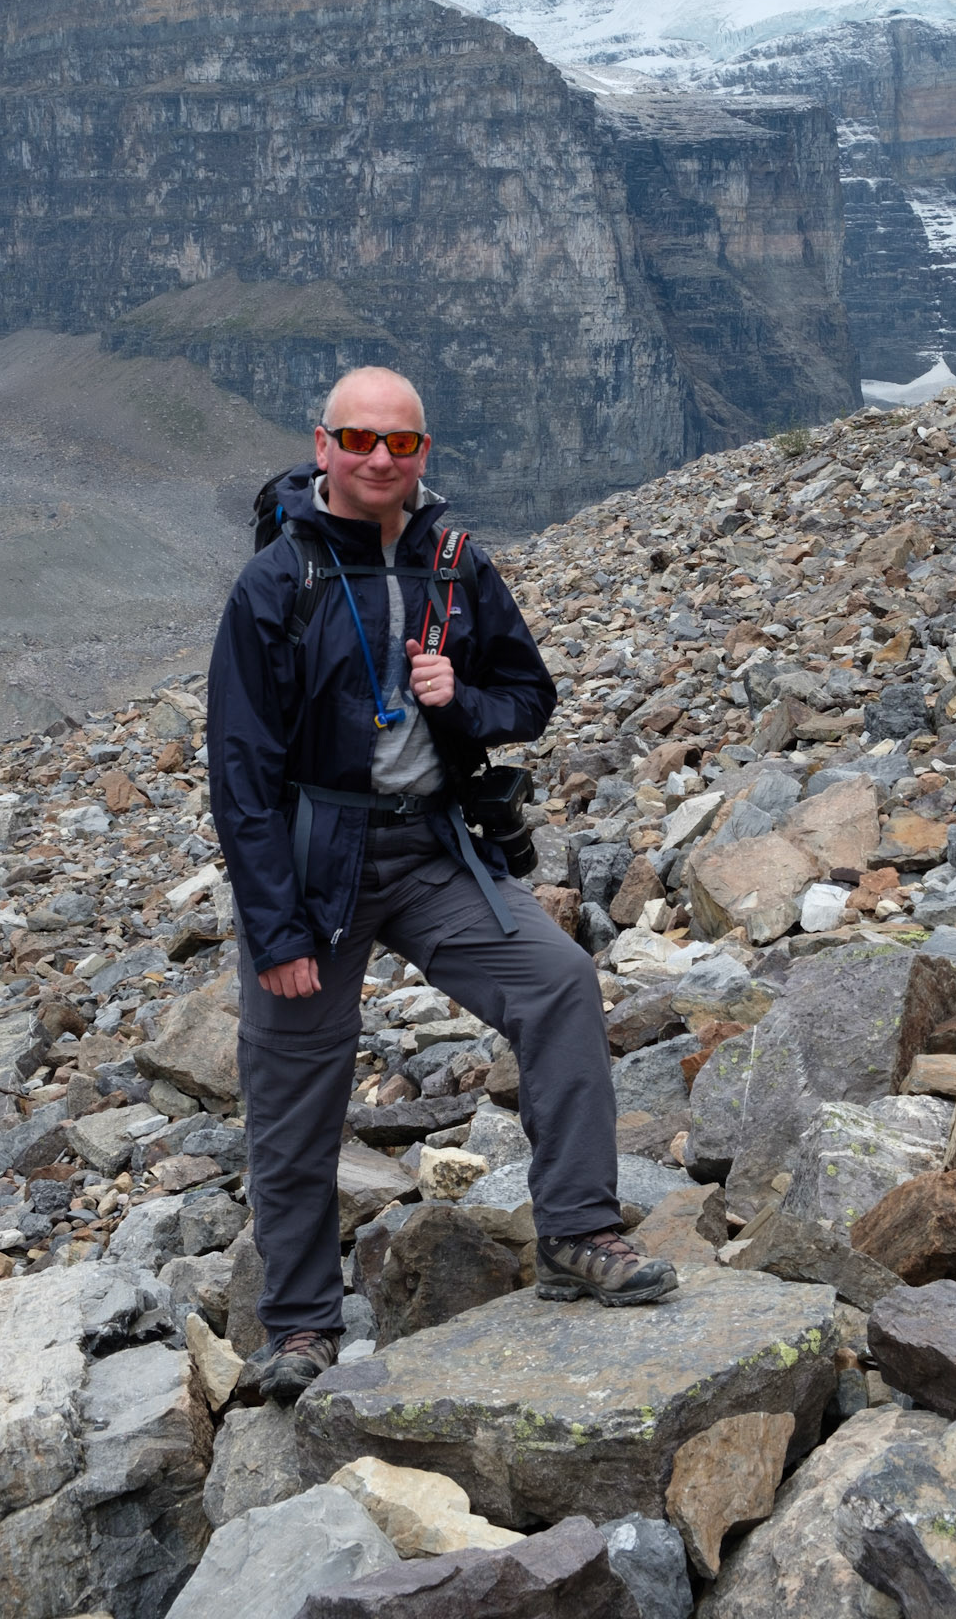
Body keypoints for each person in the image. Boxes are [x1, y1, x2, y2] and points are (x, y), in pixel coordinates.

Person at [207, 366, 677, 1402]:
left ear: (424, 454)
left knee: (557, 981)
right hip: (313, 865)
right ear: (323, 445)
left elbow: (530, 698)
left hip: (430, 848)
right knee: (294, 1096)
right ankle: (299, 1326)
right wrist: (276, 930)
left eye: (403, 443)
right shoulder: (276, 584)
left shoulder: (457, 566)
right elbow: (239, 774)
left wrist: (457, 697)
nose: (382, 459)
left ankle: (578, 1231)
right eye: (361, 439)